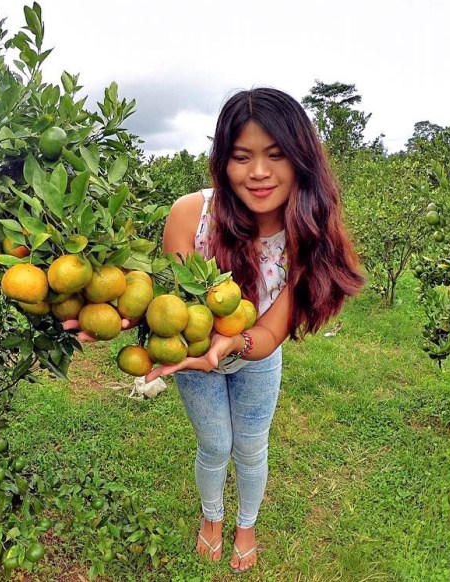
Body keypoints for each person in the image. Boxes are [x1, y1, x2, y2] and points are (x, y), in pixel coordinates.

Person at [67, 86, 364, 573]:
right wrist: (123, 313)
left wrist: (235, 343)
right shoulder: (191, 215)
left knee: (251, 447)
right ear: (223, 162)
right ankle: (212, 517)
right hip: (193, 358)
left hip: (255, 356)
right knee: (215, 446)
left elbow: (269, 332)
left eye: (276, 155)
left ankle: (246, 525)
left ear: (301, 160)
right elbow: (170, 305)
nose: (259, 172)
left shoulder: (304, 235)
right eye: (242, 157)